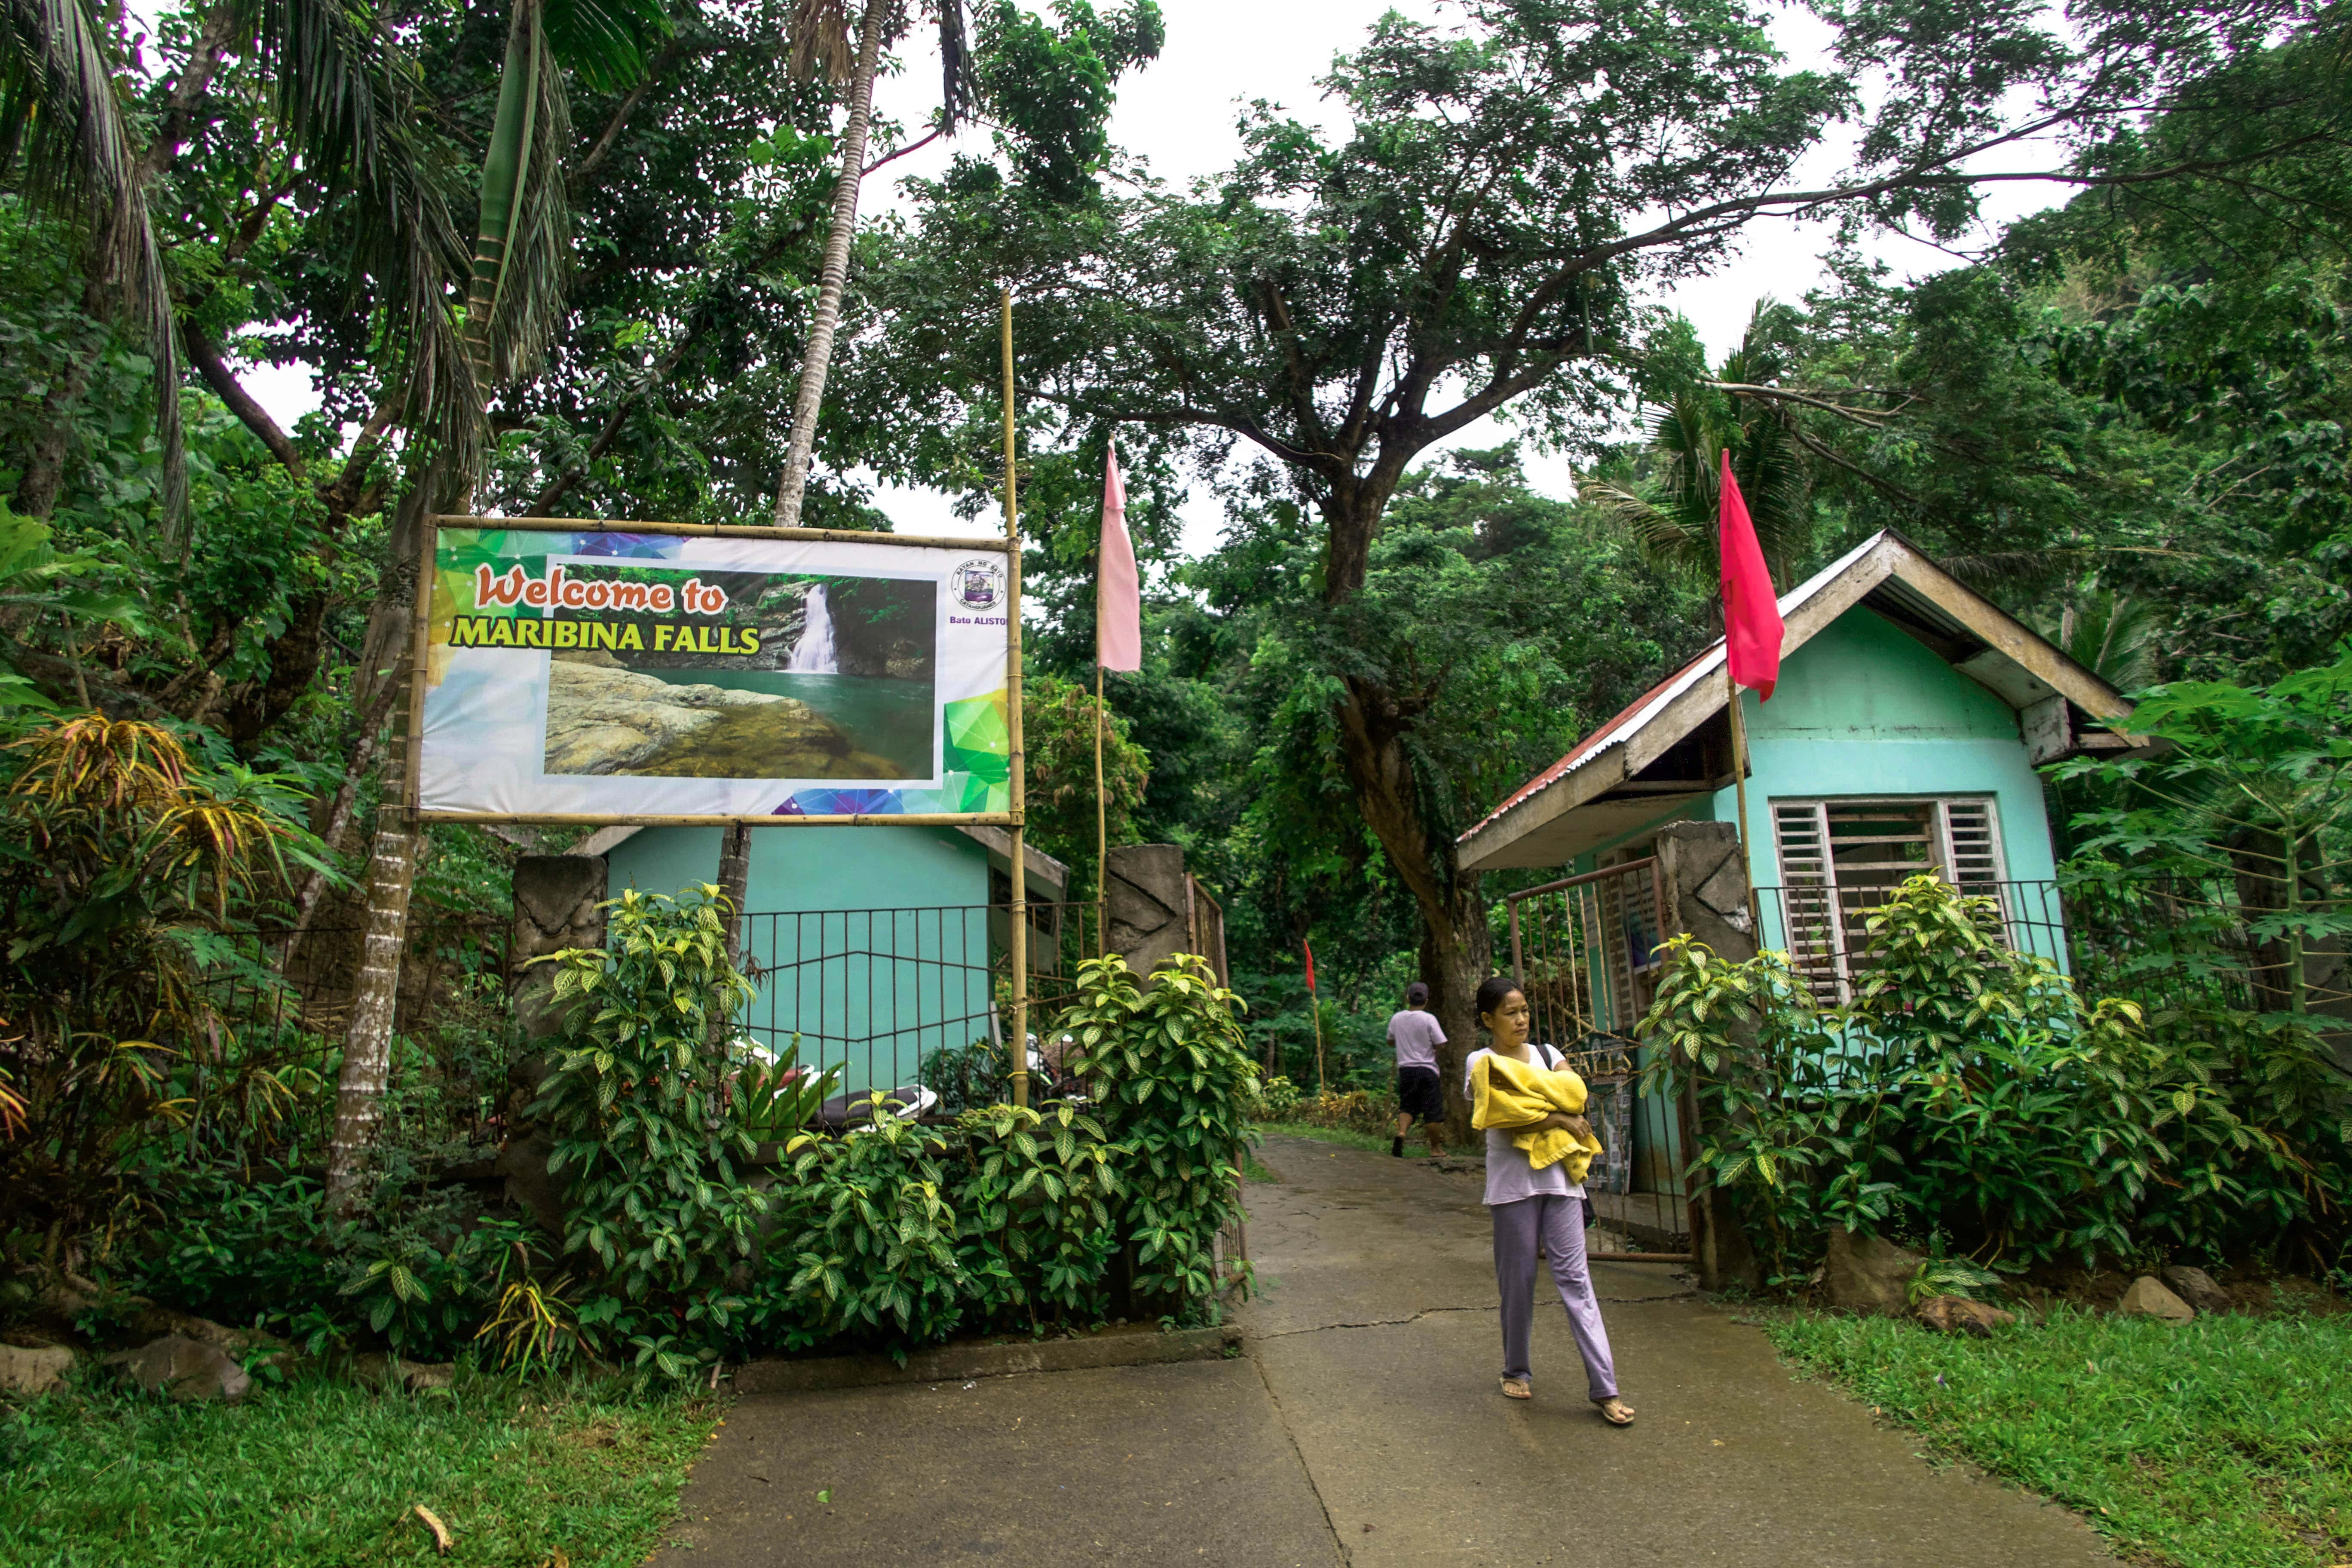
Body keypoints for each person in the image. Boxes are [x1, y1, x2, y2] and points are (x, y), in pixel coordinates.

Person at [1466, 974, 1635, 1424]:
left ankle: (1606, 1389)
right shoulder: (1479, 1061)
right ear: (1488, 1019)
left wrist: (1538, 1102)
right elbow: (1500, 1116)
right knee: (1517, 1283)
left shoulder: (1549, 1055)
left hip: (1562, 1183)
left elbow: (1577, 1094)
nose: (1521, 1020)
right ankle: (1516, 1369)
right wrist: (1556, 1114)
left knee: (1577, 1282)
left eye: (1524, 1010)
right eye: (1510, 1013)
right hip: (1512, 1188)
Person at [1387, 982, 1447, 1159]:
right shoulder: (1429, 1019)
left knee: (1408, 1106)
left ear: (1408, 999)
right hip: (1427, 1070)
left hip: (1406, 1070)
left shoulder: (1397, 1018)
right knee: (1432, 1111)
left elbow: (1390, 1041)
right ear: (1426, 1001)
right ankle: (1436, 1149)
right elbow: (1441, 1043)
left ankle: (1402, 1133)